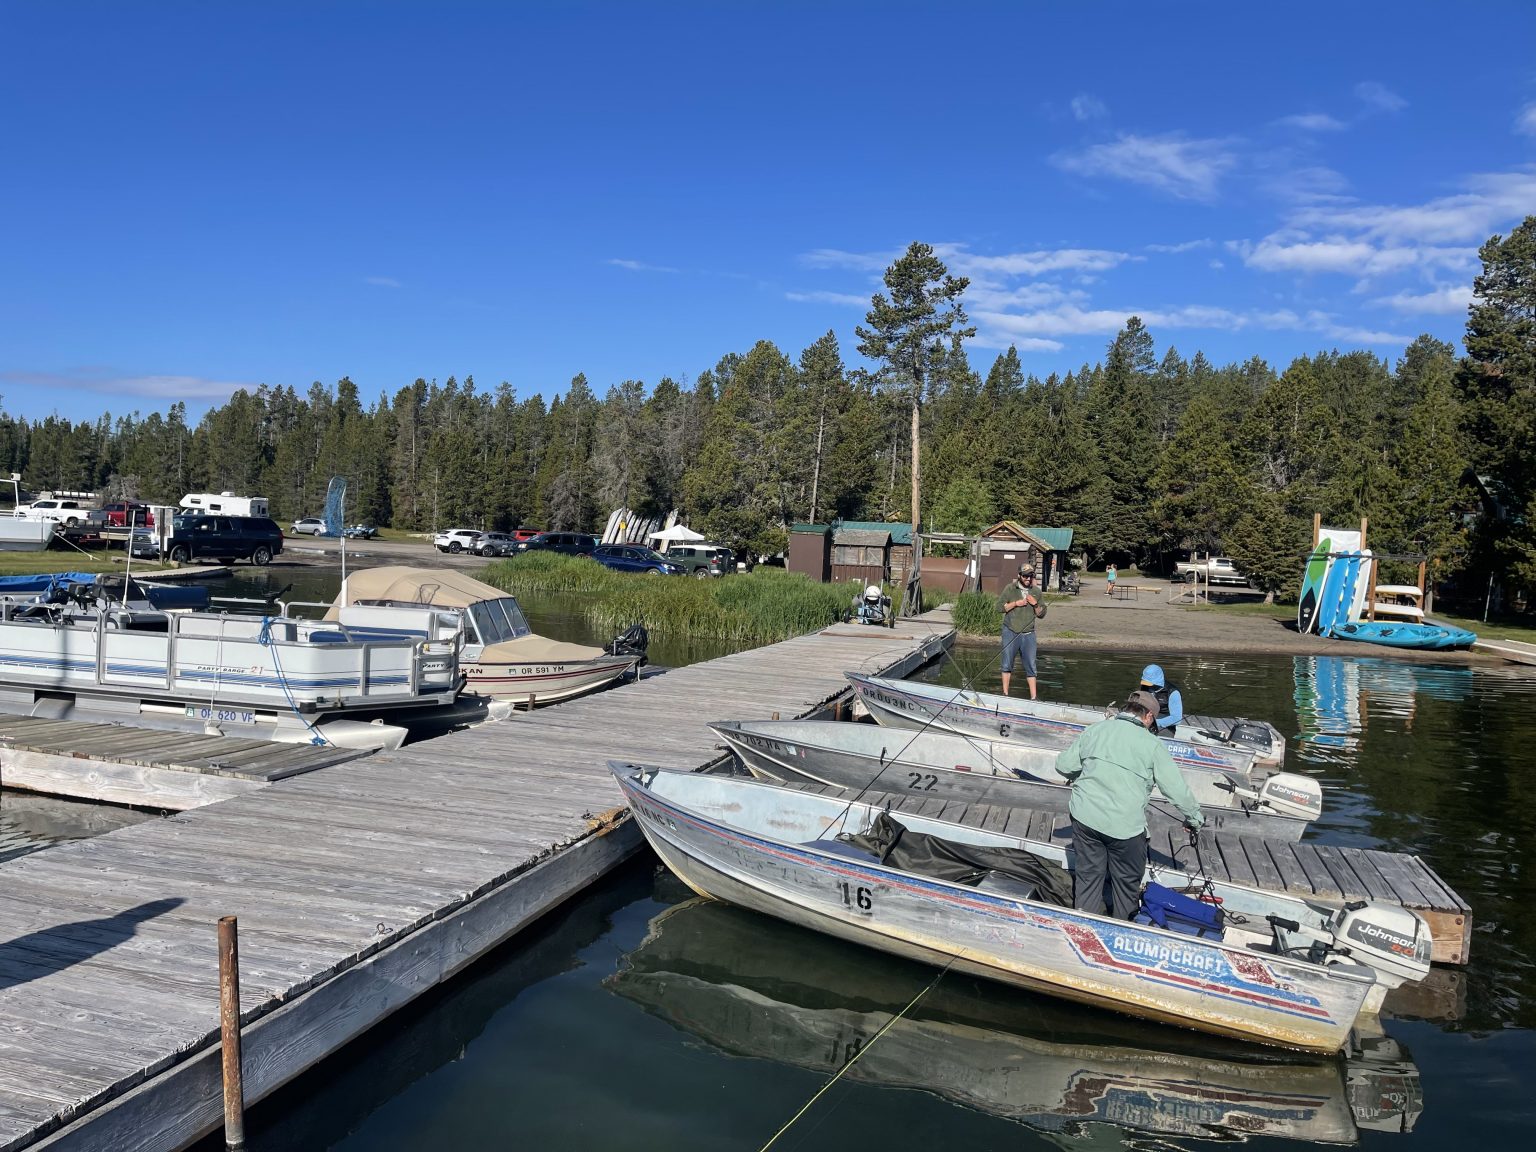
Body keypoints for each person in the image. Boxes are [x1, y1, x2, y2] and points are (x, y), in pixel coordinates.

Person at [1055, 690, 1205, 920]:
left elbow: (1064, 766)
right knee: (1126, 885)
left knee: (1088, 877)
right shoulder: (1152, 744)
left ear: (1126, 709)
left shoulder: (1096, 729)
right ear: (1149, 717)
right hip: (1124, 828)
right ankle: (1123, 926)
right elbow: (1176, 789)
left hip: (1085, 818)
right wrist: (1194, 819)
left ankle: (1083, 924)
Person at [996, 563, 1044, 699]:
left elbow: (1041, 614)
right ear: (1019, 576)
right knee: (1006, 664)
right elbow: (999, 607)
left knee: (1031, 666)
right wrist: (1016, 604)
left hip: (1029, 634)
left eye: (1030, 576)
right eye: (1025, 576)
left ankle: (1034, 698)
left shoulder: (1037, 592)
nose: (1028, 578)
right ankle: (1005, 694)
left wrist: (1035, 604)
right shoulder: (1010, 589)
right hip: (1010, 631)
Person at [1137, 664, 1183, 736]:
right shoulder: (1145, 687)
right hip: (1145, 719)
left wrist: (1153, 723)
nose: (1147, 686)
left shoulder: (1173, 693)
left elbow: (1176, 719)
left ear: (1158, 680)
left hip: (1164, 726)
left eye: (1150, 684)